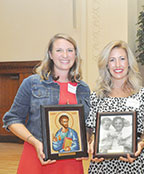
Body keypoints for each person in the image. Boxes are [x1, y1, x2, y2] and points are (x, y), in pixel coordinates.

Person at [3, 33, 90, 174]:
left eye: (70, 50)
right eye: (59, 50)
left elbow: (87, 125)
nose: (65, 55)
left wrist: (86, 142)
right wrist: (36, 142)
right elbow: (12, 120)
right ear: (50, 54)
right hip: (37, 156)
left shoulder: (83, 88)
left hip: (71, 162)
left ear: (76, 55)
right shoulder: (32, 83)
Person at [86, 40, 144, 173]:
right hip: (102, 166)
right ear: (106, 64)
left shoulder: (143, 94)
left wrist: (140, 144)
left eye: (122, 59)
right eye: (112, 60)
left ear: (129, 62)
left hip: (135, 164)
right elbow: (89, 128)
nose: (117, 64)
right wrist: (90, 144)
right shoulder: (96, 96)